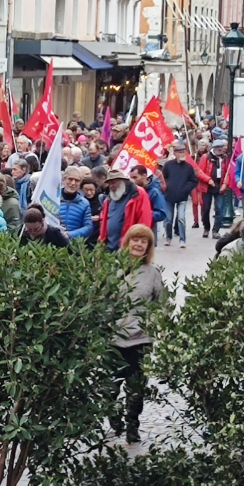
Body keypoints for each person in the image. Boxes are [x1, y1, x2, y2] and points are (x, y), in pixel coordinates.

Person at [113, 225, 164, 443]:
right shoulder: (113, 269)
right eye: (136, 240)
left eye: (144, 241)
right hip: (113, 339)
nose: (139, 244)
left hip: (140, 340)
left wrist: (153, 325)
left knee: (136, 388)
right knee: (110, 386)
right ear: (127, 242)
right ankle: (113, 414)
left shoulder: (153, 274)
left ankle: (132, 425)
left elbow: (161, 305)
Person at [98, 171, 153, 251]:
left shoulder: (138, 194)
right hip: (109, 246)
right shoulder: (109, 199)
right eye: (110, 183)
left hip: (128, 247)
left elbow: (144, 220)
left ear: (123, 181)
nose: (112, 186)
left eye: (114, 182)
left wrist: (137, 243)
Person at [161, 141, 199, 248]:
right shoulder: (168, 165)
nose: (182, 154)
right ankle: (168, 237)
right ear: (175, 154)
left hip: (182, 196)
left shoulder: (188, 167)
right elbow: (163, 178)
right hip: (169, 196)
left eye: (183, 152)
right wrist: (166, 187)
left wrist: (186, 189)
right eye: (180, 152)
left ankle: (182, 240)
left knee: (181, 218)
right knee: (168, 219)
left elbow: (194, 181)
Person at [129, 166, 168, 244]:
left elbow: (162, 213)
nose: (133, 180)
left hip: (148, 230)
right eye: (131, 178)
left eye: (135, 177)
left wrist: (145, 214)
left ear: (144, 176)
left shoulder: (154, 192)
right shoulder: (132, 191)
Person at [59, 167, 96, 243]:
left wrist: (69, 234)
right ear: (64, 179)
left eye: (77, 180)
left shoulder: (84, 203)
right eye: (70, 179)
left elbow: (88, 227)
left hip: (74, 245)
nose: (73, 183)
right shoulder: (54, 199)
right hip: (53, 245)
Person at [201, 139, 230, 238]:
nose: (220, 149)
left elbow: (228, 173)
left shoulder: (225, 158)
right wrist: (208, 180)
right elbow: (199, 172)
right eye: (217, 147)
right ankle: (206, 228)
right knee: (205, 209)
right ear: (213, 148)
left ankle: (215, 230)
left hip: (219, 186)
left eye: (221, 147)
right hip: (207, 187)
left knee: (219, 209)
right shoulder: (206, 157)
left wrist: (225, 184)